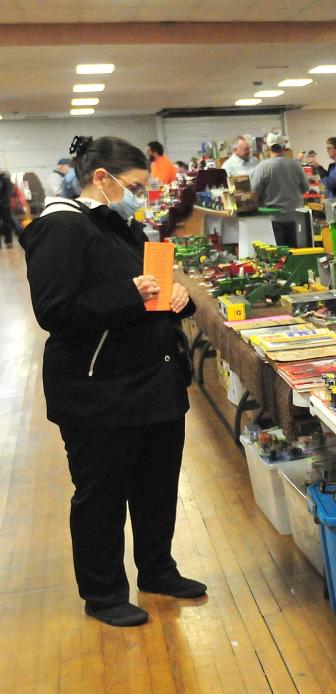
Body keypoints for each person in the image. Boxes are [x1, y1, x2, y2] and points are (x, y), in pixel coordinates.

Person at [21, 134, 205, 627]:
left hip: (154, 380)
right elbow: (54, 312)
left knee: (157, 486)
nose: (140, 196)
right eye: (135, 186)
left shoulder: (118, 225)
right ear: (100, 178)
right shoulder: (59, 228)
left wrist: (172, 296)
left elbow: (145, 289)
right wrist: (130, 293)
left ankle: (158, 570)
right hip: (98, 391)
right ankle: (103, 594)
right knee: (101, 496)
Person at [250, 132, 310, 245]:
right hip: (296, 219)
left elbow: (254, 193)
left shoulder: (262, 168)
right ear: (283, 147)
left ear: (268, 147)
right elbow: (305, 187)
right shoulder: (295, 165)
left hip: (273, 221)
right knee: (296, 255)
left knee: (278, 258)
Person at [0, 167, 23, 245]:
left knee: (8, 223)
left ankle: (9, 241)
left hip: (5, 206)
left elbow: (8, 193)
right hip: (4, 205)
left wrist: (2, 202)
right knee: (11, 223)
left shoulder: (5, 179)